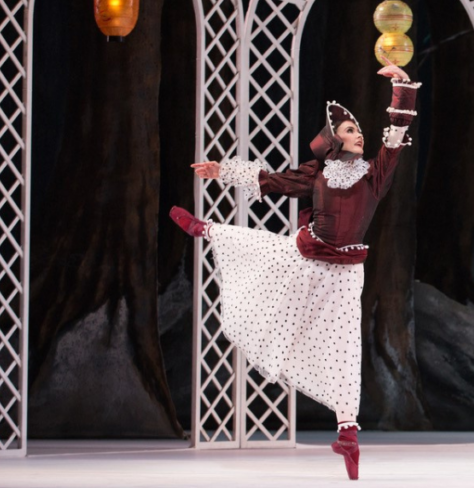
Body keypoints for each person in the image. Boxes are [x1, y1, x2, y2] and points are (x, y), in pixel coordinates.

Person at [169, 62, 420, 481]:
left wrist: (401, 86)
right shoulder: (318, 173)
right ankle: (207, 230)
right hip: (304, 259)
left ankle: (348, 433)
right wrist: (223, 171)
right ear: (333, 142)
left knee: (345, 350)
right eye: (348, 130)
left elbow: (394, 137)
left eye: (358, 129)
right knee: (264, 251)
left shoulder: (375, 176)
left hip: (344, 275)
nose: (357, 133)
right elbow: (273, 182)